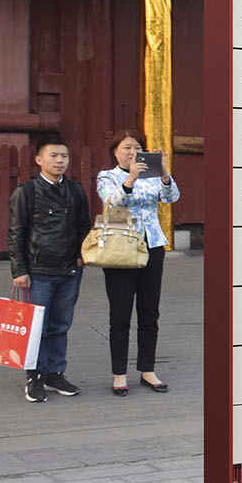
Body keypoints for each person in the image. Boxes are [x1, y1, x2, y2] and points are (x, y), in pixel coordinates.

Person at [97, 130, 182, 395]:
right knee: (120, 313)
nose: (132, 152)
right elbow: (113, 204)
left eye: (137, 147)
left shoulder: (153, 176)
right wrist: (131, 177)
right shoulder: (107, 176)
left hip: (152, 245)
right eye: (126, 148)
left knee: (149, 311)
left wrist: (164, 172)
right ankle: (119, 374)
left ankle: (147, 369)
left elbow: (172, 197)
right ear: (115, 152)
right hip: (121, 248)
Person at [8, 135, 92, 403]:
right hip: (38, 270)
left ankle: (55, 373)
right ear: (38, 160)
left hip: (70, 270)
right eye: (53, 156)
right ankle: (34, 376)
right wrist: (19, 270)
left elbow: (84, 227)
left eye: (64, 156)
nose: (59, 161)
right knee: (36, 327)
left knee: (60, 324)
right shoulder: (27, 192)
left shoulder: (76, 191)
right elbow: (16, 233)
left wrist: (81, 255)